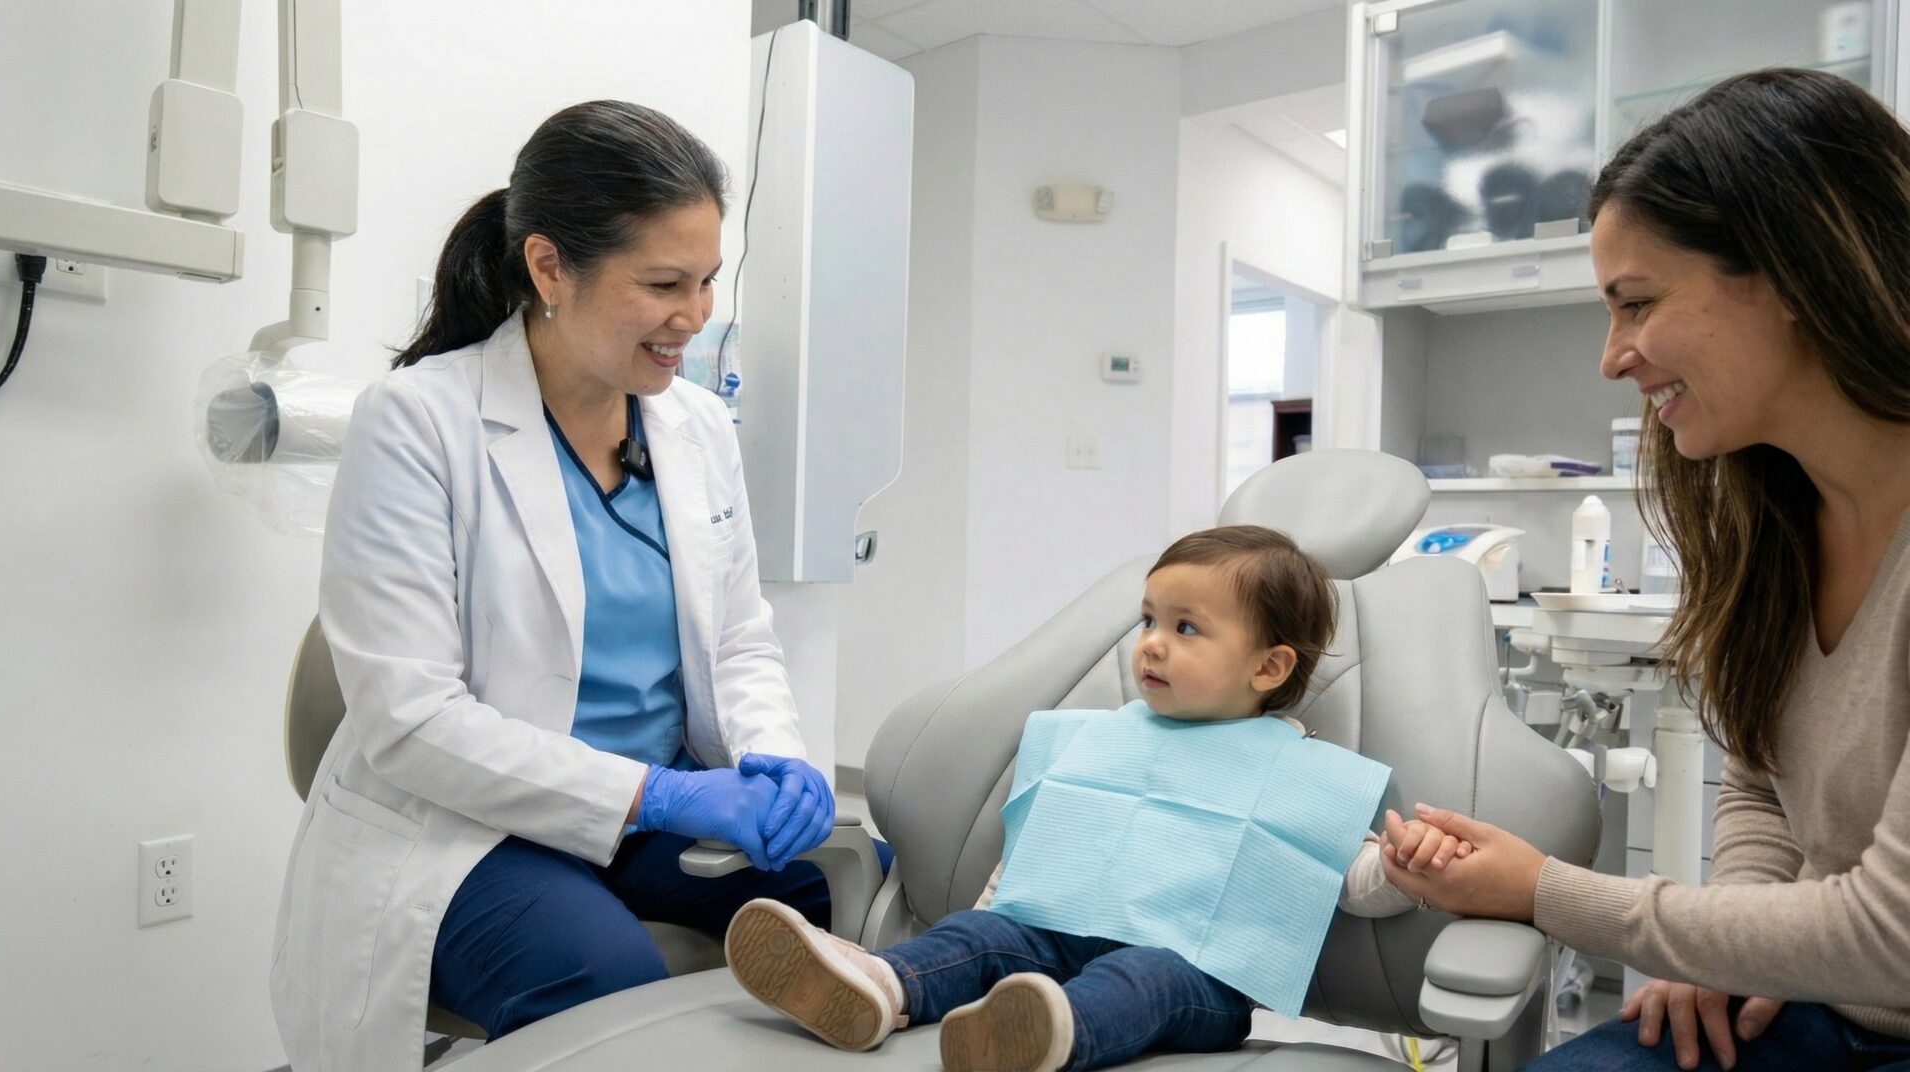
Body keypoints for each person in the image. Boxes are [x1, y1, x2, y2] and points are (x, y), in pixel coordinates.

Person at [268, 101, 875, 1072]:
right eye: (664, 283)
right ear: (550, 268)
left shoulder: (694, 429)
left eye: (710, 280)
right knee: (602, 981)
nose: (695, 316)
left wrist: (775, 758)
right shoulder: (419, 423)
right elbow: (412, 722)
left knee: (834, 897)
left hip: (639, 812)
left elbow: (739, 638)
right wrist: (664, 794)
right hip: (469, 822)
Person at [1377, 69, 1910, 1072]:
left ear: (1791, 273)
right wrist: (1726, 943)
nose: (1612, 356)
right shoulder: (1779, 525)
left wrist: (1543, 890)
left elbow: (1896, 936)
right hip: (1816, 1015)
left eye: (1637, 302)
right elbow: (1757, 778)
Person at [725, 526, 1468, 1072]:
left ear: (1270, 666)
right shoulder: (1099, 739)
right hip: (1057, 937)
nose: (1149, 643)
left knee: (1140, 978)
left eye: (1186, 629)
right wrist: (991, 916)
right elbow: (1036, 852)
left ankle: (1044, 1034)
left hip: (1196, 975)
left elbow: (1347, 879)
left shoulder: (1304, 770)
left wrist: (1402, 868)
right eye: (1147, 620)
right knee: (981, 939)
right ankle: (875, 986)